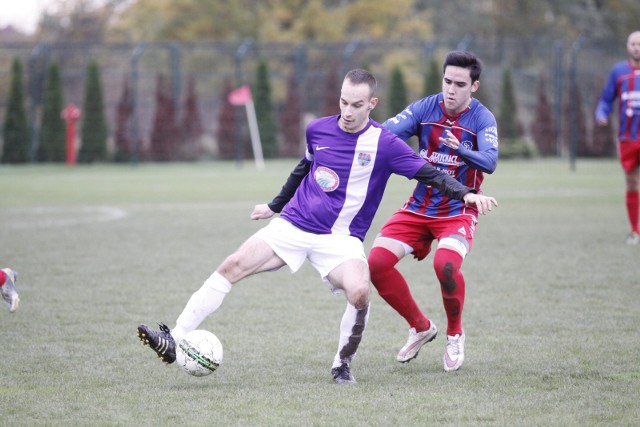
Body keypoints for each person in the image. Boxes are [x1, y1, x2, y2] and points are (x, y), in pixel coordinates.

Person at [137, 68, 497, 385]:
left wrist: (466, 195)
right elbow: (302, 169)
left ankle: (342, 366)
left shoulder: (385, 145)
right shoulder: (318, 130)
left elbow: (430, 174)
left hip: (340, 240)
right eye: (343, 102)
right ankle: (175, 338)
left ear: (372, 104)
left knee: (360, 291)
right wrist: (274, 205)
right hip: (293, 225)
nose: (348, 111)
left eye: (357, 105)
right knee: (231, 266)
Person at [368, 51, 499, 372]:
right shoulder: (426, 108)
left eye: (459, 84)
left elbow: (491, 162)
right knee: (375, 263)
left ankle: (455, 334)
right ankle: (420, 326)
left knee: (446, 266)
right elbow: (385, 133)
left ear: (474, 86)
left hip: (459, 209)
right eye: (447, 81)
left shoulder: (482, 119)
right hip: (418, 208)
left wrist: (461, 150)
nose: (450, 90)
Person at [595, 31, 640, 245]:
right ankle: (634, 230)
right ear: (627, 46)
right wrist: (601, 113)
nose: (637, 47)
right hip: (628, 138)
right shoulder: (619, 72)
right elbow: (606, 99)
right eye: (633, 43)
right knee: (631, 182)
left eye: (639, 44)